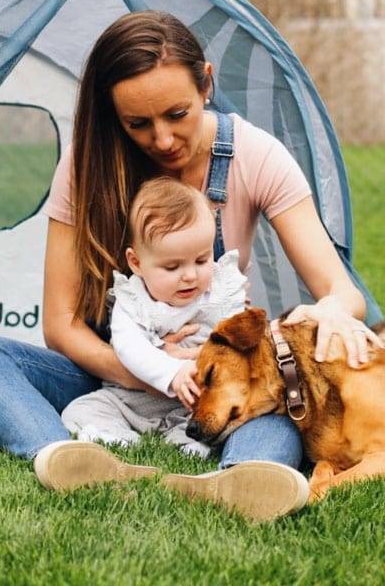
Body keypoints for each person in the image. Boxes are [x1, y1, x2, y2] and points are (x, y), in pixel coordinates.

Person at [0, 10, 383, 520]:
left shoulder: (256, 156)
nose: (163, 139)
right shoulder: (87, 166)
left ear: (206, 84)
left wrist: (333, 308)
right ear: (113, 116)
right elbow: (60, 325)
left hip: (216, 382)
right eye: (138, 124)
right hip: (114, 374)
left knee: (278, 411)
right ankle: (63, 457)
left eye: (177, 114)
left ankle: (238, 477)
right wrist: (148, 373)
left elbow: (340, 288)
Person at [60, 177, 248, 458]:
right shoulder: (134, 300)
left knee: (227, 417)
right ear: (136, 263)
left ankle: (187, 443)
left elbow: (238, 346)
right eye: (172, 266)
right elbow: (128, 347)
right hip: (132, 400)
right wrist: (171, 373)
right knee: (81, 410)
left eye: (201, 260)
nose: (190, 275)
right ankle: (117, 440)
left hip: (196, 403)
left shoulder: (221, 292)